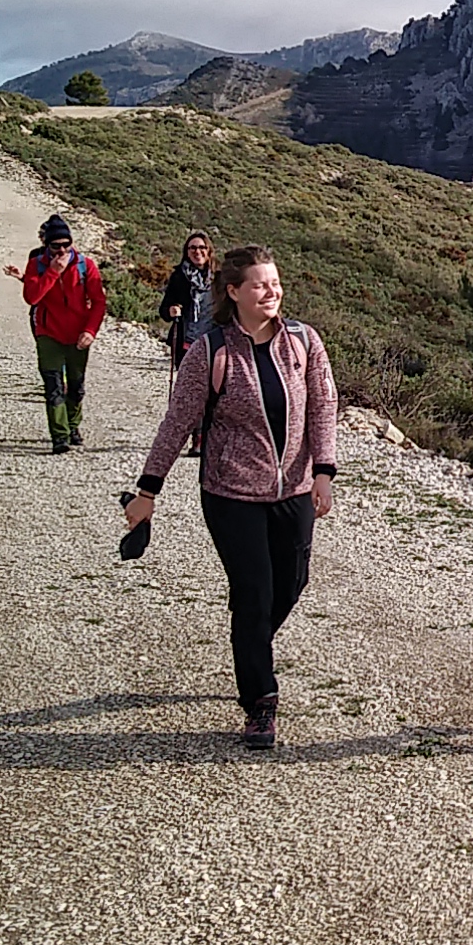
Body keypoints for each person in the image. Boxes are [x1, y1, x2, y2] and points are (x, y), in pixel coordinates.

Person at [124, 245, 338, 750]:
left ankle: (250, 640)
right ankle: (260, 702)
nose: (272, 291)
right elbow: (178, 422)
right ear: (234, 292)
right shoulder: (212, 349)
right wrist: (147, 489)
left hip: (296, 488)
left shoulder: (304, 342)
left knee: (291, 583)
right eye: (260, 284)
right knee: (255, 593)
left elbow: (323, 406)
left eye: (276, 282)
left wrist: (324, 470)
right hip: (230, 492)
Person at [8, 215, 107, 454]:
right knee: (53, 385)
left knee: (76, 385)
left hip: (78, 335)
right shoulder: (37, 264)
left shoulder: (86, 265)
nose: (62, 250)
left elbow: (98, 302)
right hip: (48, 333)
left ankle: (72, 426)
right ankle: (59, 436)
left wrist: (90, 330)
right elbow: (32, 297)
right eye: (56, 246)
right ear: (47, 246)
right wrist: (52, 272)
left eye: (66, 244)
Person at [159, 231, 217, 370]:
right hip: (186, 343)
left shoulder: (220, 278)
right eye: (193, 248)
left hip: (214, 343)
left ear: (209, 251)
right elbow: (164, 310)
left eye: (202, 247)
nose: (198, 251)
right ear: (187, 252)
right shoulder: (179, 276)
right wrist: (171, 311)